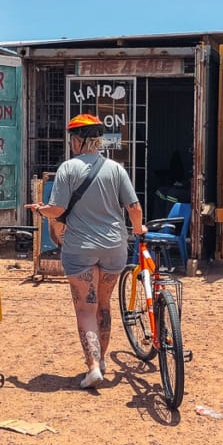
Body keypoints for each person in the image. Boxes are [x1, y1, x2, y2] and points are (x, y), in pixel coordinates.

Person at [27, 114, 145, 389]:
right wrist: (138, 231)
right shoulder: (116, 169)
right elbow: (134, 208)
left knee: (85, 309)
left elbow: (57, 210)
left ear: (78, 140)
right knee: (104, 305)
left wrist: (41, 210)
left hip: (80, 248)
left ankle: (93, 367)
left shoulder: (68, 169)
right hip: (114, 246)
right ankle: (101, 360)